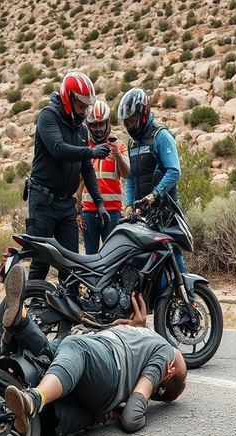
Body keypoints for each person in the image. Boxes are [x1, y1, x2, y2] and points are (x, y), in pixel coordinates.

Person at [0, 265, 187, 436]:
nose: (176, 352)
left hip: (106, 365)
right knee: (51, 352)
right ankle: (20, 324)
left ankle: (34, 399)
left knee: (74, 346)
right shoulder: (150, 336)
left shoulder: (165, 354)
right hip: (96, 350)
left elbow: (132, 419)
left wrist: (120, 411)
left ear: (170, 371)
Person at [26, 71, 111, 280]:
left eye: (86, 107)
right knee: (41, 261)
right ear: (68, 99)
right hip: (43, 201)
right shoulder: (48, 116)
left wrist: (99, 203)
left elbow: (87, 169)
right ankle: (31, 309)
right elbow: (58, 148)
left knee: (71, 264)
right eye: (80, 106)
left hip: (66, 205)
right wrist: (91, 152)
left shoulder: (80, 130)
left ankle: (69, 310)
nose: (84, 112)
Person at [78, 100, 130, 254]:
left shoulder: (118, 145)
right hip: (88, 212)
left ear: (107, 122)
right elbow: (78, 183)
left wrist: (118, 156)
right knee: (91, 257)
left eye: (100, 124)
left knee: (112, 256)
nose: (97, 128)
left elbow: (127, 174)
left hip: (113, 212)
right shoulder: (85, 147)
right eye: (93, 125)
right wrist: (78, 212)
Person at [118, 88, 180, 216]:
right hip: (141, 213)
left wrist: (154, 195)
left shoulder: (161, 136)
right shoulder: (132, 143)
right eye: (126, 122)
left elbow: (174, 171)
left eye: (132, 121)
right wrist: (129, 204)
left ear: (143, 114)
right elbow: (131, 177)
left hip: (166, 212)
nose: (129, 126)